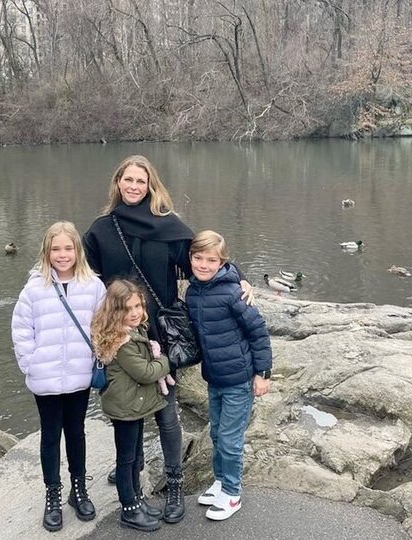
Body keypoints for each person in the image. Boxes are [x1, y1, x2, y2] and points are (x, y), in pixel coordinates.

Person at [83, 155, 252, 523]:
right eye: (127, 180)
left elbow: (202, 259)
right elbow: (86, 278)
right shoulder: (100, 230)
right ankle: (132, 468)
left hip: (161, 331)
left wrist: (237, 276)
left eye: (140, 181)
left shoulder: (167, 225)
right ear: (117, 183)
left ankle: (175, 486)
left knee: (166, 411)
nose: (133, 187)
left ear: (150, 185)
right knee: (126, 405)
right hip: (121, 333)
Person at [11, 221, 106, 532]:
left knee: (76, 432)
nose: (62, 255)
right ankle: (52, 494)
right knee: (50, 435)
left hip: (78, 374)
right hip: (46, 376)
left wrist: (97, 356)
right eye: (56, 249)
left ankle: (78, 490)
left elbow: (102, 325)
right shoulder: (33, 290)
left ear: (77, 251)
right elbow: (22, 331)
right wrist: (31, 364)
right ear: (46, 252)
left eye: (68, 248)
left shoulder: (93, 286)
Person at [185, 230, 272, 521]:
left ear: (222, 262)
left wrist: (263, 373)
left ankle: (233, 493)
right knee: (215, 432)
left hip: (238, 378)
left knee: (230, 438)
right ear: (191, 259)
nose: (204, 265)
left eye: (211, 260)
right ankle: (221, 481)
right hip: (214, 378)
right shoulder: (193, 291)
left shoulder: (234, 293)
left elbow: (258, 332)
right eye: (198, 258)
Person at [92, 280, 171, 532]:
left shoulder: (134, 331)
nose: (135, 312)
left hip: (132, 405)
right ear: (115, 311)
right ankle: (128, 508)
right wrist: (167, 362)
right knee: (126, 460)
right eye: (127, 308)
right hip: (125, 408)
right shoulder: (122, 342)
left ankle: (137, 499)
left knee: (136, 456)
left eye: (138, 305)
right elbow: (146, 373)